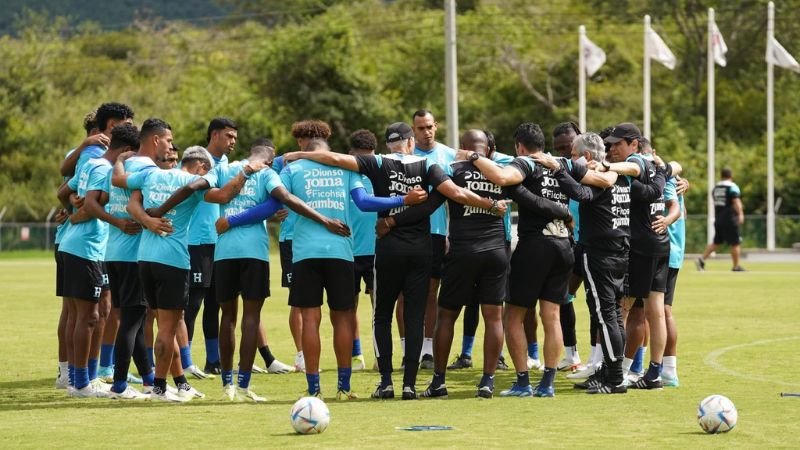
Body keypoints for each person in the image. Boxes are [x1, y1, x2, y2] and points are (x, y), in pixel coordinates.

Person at [282, 122, 507, 400]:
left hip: (388, 248)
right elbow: (456, 194)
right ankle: (410, 385)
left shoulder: (377, 162)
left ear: (389, 144)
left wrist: (302, 154)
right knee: (414, 315)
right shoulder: (426, 166)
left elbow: (334, 158)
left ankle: (386, 382)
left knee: (382, 315)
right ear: (411, 142)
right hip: (421, 250)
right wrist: (491, 204)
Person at [395, 129, 570, 399]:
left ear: (462, 148)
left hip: (463, 251)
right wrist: (564, 212)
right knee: (494, 317)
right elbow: (533, 196)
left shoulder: (452, 169)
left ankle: (439, 382)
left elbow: (430, 205)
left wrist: (394, 222)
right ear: (488, 148)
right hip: (497, 253)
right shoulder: (500, 171)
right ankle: (487, 381)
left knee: (447, 315)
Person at [462, 124, 616, 397]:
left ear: (520, 146)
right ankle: (547, 383)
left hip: (535, 246)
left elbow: (501, 177)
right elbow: (604, 179)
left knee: (513, 316)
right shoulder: (563, 163)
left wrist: (473, 157)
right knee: (552, 315)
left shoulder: (525, 163)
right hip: (563, 246)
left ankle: (523, 382)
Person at [121, 144, 230, 402]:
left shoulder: (149, 175)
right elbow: (224, 196)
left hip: (145, 258)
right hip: (173, 260)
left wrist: (121, 158)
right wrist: (245, 173)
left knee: (164, 323)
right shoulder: (193, 180)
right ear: (201, 165)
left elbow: (127, 194)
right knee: (169, 327)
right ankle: (159, 387)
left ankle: (180, 382)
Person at [56, 122, 138, 397]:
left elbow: (63, 193)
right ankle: (80, 384)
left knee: (84, 315)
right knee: (88, 316)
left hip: (73, 244)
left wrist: (71, 212)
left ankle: (81, 380)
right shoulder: (103, 168)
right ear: (126, 151)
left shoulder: (91, 164)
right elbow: (91, 203)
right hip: (86, 248)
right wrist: (116, 221)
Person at [103, 121, 169, 400]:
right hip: (133, 255)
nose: (169, 145)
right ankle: (119, 384)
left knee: (136, 320)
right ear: (155, 140)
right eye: (168, 140)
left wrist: (117, 159)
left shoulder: (124, 164)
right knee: (132, 322)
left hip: (112, 253)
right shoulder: (148, 170)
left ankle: (147, 380)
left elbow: (116, 181)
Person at [54, 111, 106, 391]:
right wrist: (76, 209)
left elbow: (66, 189)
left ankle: (70, 374)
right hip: (79, 239)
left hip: (70, 237)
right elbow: (66, 180)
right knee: (85, 312)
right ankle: (81, 377)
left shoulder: (87, 154)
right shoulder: (90, 154)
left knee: (75, 311)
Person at [184, 117, 238, 378]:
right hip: (197, 241)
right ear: (214, 135)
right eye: (229, 136)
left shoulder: (228, 164)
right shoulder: (198, 161)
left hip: (221, 243)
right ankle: (185, 359)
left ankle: (213, 360)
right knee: (193, 302)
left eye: (235, 138)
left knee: (216, 303)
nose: (233, 142)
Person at [410, 109, 454, 368]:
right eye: (420, 128)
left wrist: (450, 232)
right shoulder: (406, 156)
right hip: (407, 232)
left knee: (430, 292)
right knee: (406, 294)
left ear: (435, 126)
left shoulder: (448, 155)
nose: (426, 132)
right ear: (413, 131)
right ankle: (408, 349)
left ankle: (427, 349)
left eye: (429, 126)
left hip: (436, 234)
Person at [552, 122, 584, 372]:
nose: (564, 153)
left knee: (604, 304)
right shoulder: (555, 167)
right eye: (559, 148)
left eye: (569, 147)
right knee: (564, 297)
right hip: (569, 242)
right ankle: (572, 354)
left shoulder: (599, 165)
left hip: (597, 243)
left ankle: (606, 360)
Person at [347, 129, 379, 371]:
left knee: (379, 308)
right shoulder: (342, 177)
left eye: (369, 157)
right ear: (351, 155)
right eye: (361, 158)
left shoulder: (382, 175)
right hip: (347, 252)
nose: (365, 162)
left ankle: (381, 357)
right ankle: (356, 355)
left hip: (377, 251)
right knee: (348, 308)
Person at [698, 167, 745, 272]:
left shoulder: (716, 187)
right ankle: (736, 266)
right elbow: (736, 201)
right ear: (731, 176)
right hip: (729, 219)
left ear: (721, 176)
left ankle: (701, 259)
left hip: (718, 218)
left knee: (716, 242)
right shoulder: (732, 187)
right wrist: (741, 214)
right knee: (735, 242)